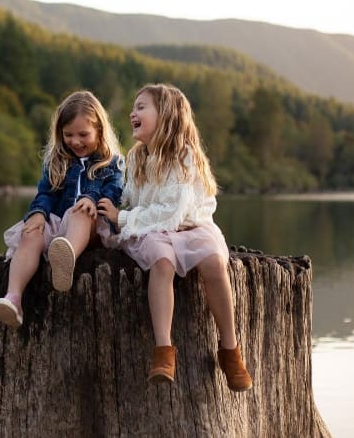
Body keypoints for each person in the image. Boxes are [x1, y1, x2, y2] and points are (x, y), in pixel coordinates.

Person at [96, 83, 252, 391]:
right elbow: (132, 198)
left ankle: (230, 349)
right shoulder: (138, 157)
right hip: (157, 231)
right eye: (133, 107)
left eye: (141, 107)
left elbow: (172, 211)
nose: (132, 113)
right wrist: (112, 209)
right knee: (161, 260)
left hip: (190, 227)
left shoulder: (184, 157)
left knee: (214, 261)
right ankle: (163, 349)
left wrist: (123, 217)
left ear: (166, 116)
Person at [0, 90, 124, 328]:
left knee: (80, 212)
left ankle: (66, 257)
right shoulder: (57, 160)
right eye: (68, 135)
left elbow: (114, 192)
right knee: (31, 232)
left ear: (100, 131)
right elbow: (46, 193)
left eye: (83, 134)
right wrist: (39, 214)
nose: (75, 141)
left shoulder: (111, 162)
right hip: (58, 223)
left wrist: (92, 199)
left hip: (91, 227)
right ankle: (14, 298)